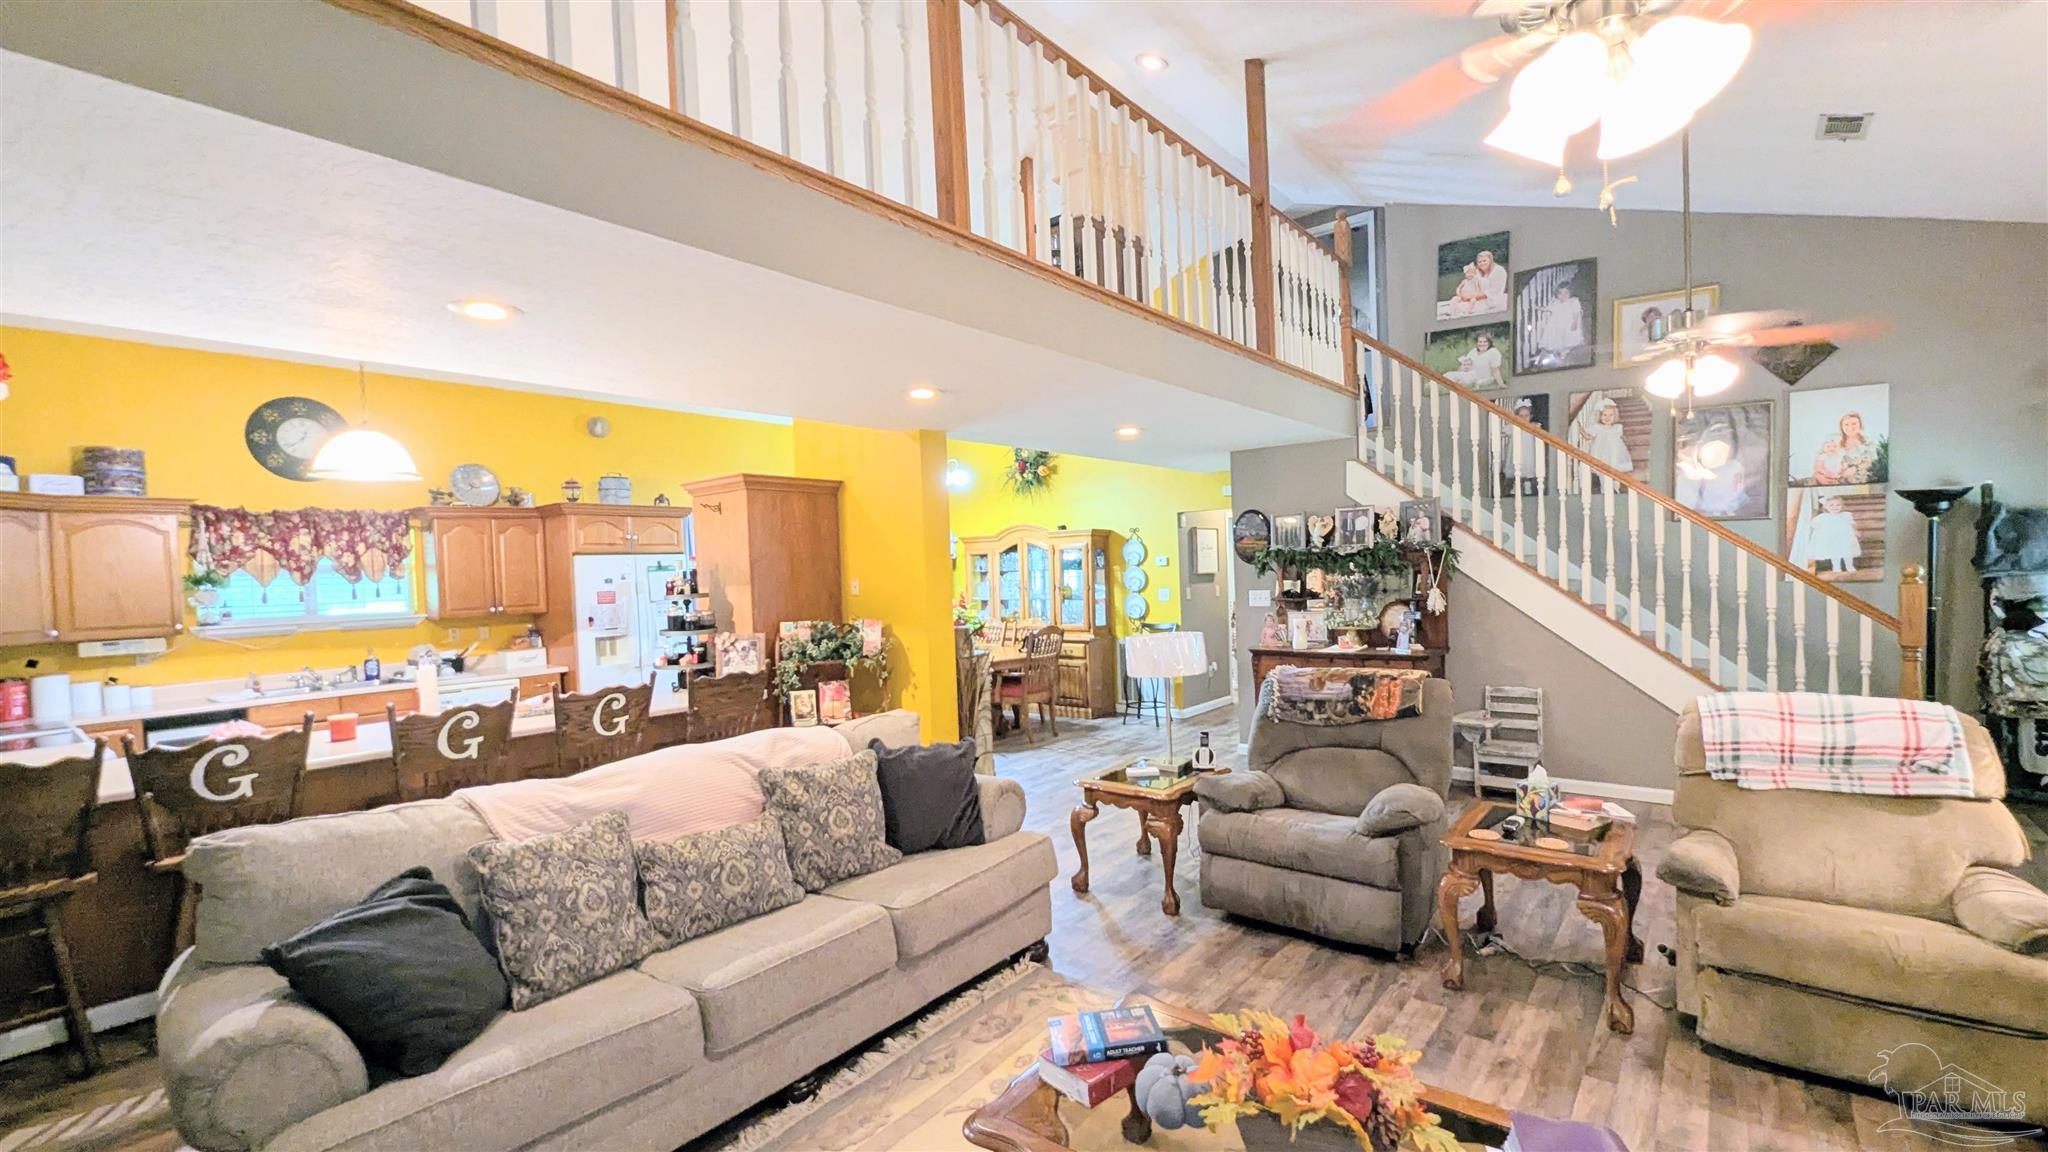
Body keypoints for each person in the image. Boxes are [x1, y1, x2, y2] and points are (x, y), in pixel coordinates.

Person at [1812, 411, 1880, 484]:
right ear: (1841, 427)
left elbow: (1869, 463)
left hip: (1857, 478)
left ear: (1860, 425)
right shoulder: (1834, 440)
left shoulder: (1868, 443)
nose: (1850, 427)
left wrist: (1854, 469)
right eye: (1846, 424)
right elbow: (1820, 458)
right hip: (1830, 476)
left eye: (1854, 424)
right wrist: (1819, 476)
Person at [1574, 396, 1634, 477]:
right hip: (1600, 454)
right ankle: (1604, 486)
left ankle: (1615, 487)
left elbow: (1620, 439)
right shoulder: (1597, 427)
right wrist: (1580, 428)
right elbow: (1588, 437)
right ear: (1600, 416)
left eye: (1611, 415)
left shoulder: (1617, 428)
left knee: (1615, 470)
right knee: (1603, 472)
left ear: (1615, 416)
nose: (1607, 418)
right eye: (1605, 415)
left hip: (1613, 453)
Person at [1803, 493, 1862, 574]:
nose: (1835, 507)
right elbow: (1813, 524)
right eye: (1831, 505)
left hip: (1845, 537)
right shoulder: (1823, 517)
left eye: (1838, 505)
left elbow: (1851, 524)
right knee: (1835, 553)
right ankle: (1836, 567)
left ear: (1842, 506)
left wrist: (1855, 531)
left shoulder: (1845, 515)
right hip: (1832, 538)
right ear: (1826, 507)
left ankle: (1849, 566)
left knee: (1847, 551)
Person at [1534, 282, 1584, 364]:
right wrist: (1538, 307)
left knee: (1567, 339)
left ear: (1570, 293)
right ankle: (1557, 350)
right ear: (1557, 295)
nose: (1563, 296)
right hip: (1557, 324)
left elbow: (1576, 313)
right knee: (1556, 338)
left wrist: (1574, 323)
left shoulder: (1573, 302)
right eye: (1560, 293)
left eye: (1566, 293)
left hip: (1568, 324)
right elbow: (1547, 308)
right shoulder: (1556, 302)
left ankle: (1564, 351)